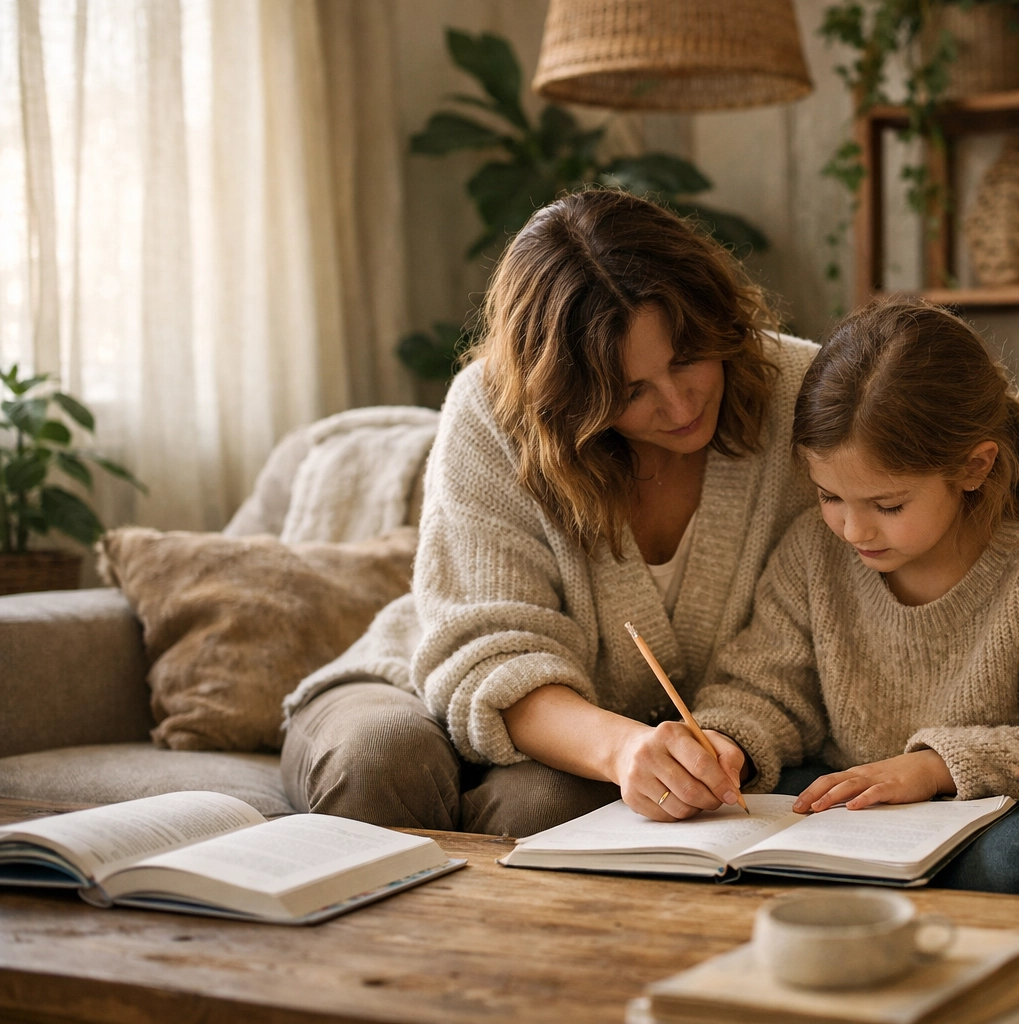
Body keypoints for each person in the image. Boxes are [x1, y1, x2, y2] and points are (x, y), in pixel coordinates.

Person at [281, 189, 808, 834]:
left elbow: (823, 624)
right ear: (564, 396)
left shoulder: (802, 395)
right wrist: (621, 749)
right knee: (376, 763)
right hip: (425, 683)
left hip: (605, 744)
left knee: (537, 812)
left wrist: (722, 742)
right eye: (630, 390)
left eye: (688, 358)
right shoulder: (493, 411)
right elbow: (488, 652)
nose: (678, 406)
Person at [692, 299, 1019, 892]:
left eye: (888, 505)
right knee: (735, 820)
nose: (853, 531)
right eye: (829, 497)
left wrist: (936, 769)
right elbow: (762, 690)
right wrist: (725, 745)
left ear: (974, 467)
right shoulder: (810, 553)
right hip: (854, 806)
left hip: (983, 810)